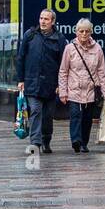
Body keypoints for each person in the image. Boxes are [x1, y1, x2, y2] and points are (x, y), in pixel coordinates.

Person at [15, 9, 68, 154]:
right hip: (32, 82)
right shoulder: (30, 35)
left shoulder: (59, 38)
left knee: (48, 115)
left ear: (53, 22)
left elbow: (64, 64)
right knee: (36, 111)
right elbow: (21, 57)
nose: (43, 21)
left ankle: (46, 140)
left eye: (46, 19)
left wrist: (60, 84)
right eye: (41, 18)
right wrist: (20, 79)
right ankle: (35, 143)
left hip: (51, 85)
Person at [59, 18, 105, 153]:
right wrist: (63, 92)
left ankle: (84, 143)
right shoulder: (69, 49)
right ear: (76, 32)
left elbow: (101, 72)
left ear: (91, 32)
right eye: (81, 31)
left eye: (87, 31)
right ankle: (75, 140)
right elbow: (63, 71)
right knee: (75, 115)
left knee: (87, 118)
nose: (84, 34)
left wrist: (104, 92)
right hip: (74, 89)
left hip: (91, 90)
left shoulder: (97, 49)